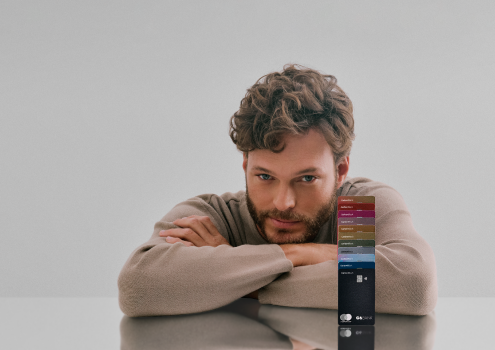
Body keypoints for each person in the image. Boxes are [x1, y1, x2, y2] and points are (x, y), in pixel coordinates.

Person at [117, 64, 438, 317]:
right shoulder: (212, 217)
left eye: (307, 179)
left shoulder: (353, 208)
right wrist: (301, 255)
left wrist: (235, 275)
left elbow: (411, 285)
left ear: (340, 171)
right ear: (245, 165)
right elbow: (140, 287)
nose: (284, 203)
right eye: (265, 177)